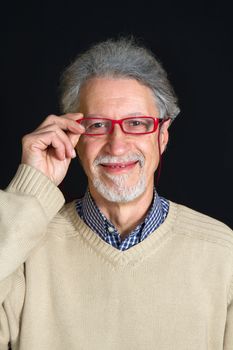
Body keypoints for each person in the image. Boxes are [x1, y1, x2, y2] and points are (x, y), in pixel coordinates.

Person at [0, 37, 232, 350]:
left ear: (162, 137)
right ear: (74, 137)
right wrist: (28, 192)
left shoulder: (221, 253)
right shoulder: (25, 250)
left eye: (137, 123)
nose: (117, 145)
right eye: (97, 125)